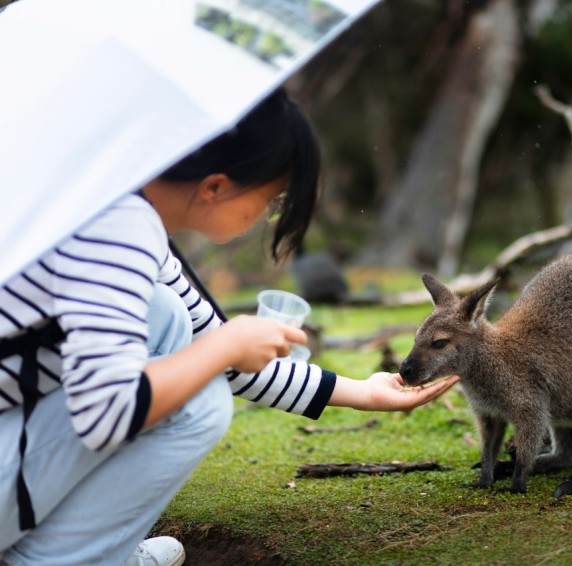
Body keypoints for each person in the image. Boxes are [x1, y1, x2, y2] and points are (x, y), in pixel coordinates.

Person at [0, 88, 459, 566]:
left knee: (166, 315)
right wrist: (224, 347)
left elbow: (206, 341)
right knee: (200, 401)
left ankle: (94, 550)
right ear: (216, 185)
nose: (268, 215)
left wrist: (363, 391)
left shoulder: (121, 211)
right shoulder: (116, 229)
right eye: (272, 198)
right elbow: (109, 409)